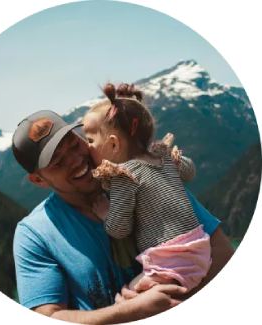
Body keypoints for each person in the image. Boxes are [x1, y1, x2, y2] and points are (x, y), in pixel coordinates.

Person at [12, 109, 235, 322]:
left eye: (74, 144)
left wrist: (171, 301)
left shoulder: (146, 175)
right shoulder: (34, 234)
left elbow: (223, 253)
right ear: (38, 180)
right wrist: (133, 311)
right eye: (58, 162)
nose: (75, 159)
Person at [82, 82, 211, 294]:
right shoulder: (163, 158)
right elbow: (189, 172)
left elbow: (120, 229)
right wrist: (174, 159)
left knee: (129, 298)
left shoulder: (125, 175)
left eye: (90, 140)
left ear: (114, 144)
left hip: (169, 259)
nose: (87, 147)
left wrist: (106, 214)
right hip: (199, 247)